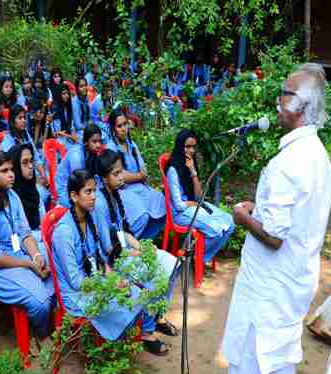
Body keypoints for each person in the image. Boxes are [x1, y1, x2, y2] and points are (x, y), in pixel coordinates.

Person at [220, 66, 331, 374]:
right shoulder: (316, 155)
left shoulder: (288, 163)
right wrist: (262, 207)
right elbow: (293, 216)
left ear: (299, 107)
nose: (277, 100)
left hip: (268, 292)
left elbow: (273, 236)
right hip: (292, 283)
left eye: (284, 93)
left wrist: (242, 217)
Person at [51, 169, 168, 355]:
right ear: (74, 196)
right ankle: (108, 351)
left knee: (136, 293)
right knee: (123, 299)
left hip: (94, 280)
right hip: (77, 293)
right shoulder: (64, 232)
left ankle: (132, 338)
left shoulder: (89, 219)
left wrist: (115, 278)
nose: (94, 197)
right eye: (88, 192)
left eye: (94, 191)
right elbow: (75, 281)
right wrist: (110, 286)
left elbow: (99, 259)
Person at [93, 149, 180, 336]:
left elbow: (124, 231)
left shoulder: (115, 195)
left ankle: (158, 316)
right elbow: (109, 251)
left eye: (121, 171)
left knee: (172, 265)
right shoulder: (99, 204)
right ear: (103, 178)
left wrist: (142, 247)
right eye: (115, 174)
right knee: (153, 273)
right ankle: (147, 332)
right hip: (115, 262)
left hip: (126, 253)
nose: (121, 176)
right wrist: (137, 254)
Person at [0, 151, 54, 337]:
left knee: (54, 262)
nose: (11, 175)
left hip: (20, 257)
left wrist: (36, 256)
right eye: (4, 171)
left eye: (11, 170)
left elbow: (25, 233)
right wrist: (30, 264)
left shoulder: (12, 195)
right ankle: (40, 333)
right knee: (41, 303)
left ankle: (40, 317)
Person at [165, 129, 235, 264]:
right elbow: (179, 205)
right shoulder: (173, 170)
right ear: (180, 146)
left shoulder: (190, 164)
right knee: (215, 230)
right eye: (187, 146)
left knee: (230, 222)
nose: (191, 150)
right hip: (180, 213)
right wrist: (193, 203)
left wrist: (193, 172)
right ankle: (198, 260)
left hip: (194, 206)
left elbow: (199, 197)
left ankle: (200, 257)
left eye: (193, 147)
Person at [105, 108, 166, 239]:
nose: (123, 129)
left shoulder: (131, 144)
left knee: (162, 204)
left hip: (138, 186)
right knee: (141, 215)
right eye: (119, 126)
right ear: (113, 129)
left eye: (125, 124)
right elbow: (120, 174)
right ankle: (131, 244)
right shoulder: (111, 147)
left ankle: (145, 240)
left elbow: (143, 168)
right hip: (122, 190)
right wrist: (139, 176)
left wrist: (142, 177)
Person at [56, 124, 103, 208]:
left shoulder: (92, 152)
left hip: (82, 187)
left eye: (100, 141)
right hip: (66, 190)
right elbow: (78, 185)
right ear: (86, 142)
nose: (98, 145)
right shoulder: (76, 157)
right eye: (94, 141)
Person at [11, 143, 46, 244]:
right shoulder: (11, 195)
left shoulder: (32, 187)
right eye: (25, 162)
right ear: (15, 166)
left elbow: (43, 218)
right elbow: (17, 235)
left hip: (37, 235)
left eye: (31, 161)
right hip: (22, 243)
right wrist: (42, 237)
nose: (31, 166)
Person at [51, 83, 78, 149]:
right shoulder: (55, 109)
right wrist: (71, 137)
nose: (67, 96)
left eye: (67, 93)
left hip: (68, 136)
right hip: (60, 139)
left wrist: (74, 134)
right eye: (64, 94)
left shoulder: (68, 107)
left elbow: (72, 126)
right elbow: (58, 132)